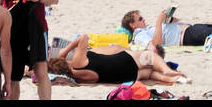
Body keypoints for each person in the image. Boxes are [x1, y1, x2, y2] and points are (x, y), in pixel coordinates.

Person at [49, 34, 186, 86]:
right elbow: (83, 37)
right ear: (64, 61)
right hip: (124, 61)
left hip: (125, 77)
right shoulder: (78, 63)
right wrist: (65, 51)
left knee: (149, 73)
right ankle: (168, 72)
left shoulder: (78, 79)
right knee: (150, 58)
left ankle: (173, 80)